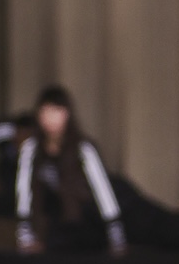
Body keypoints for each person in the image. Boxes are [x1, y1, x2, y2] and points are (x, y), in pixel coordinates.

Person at [16, 85, 126, 254]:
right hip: (49, 227)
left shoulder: (83, 148)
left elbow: (102, 189)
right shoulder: (31, 149)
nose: (51, 118)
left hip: (85, 225)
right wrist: (24, 232)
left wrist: (114, 232)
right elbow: (24, 190)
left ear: (67, 114)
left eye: (57, 111)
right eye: (46, 111)